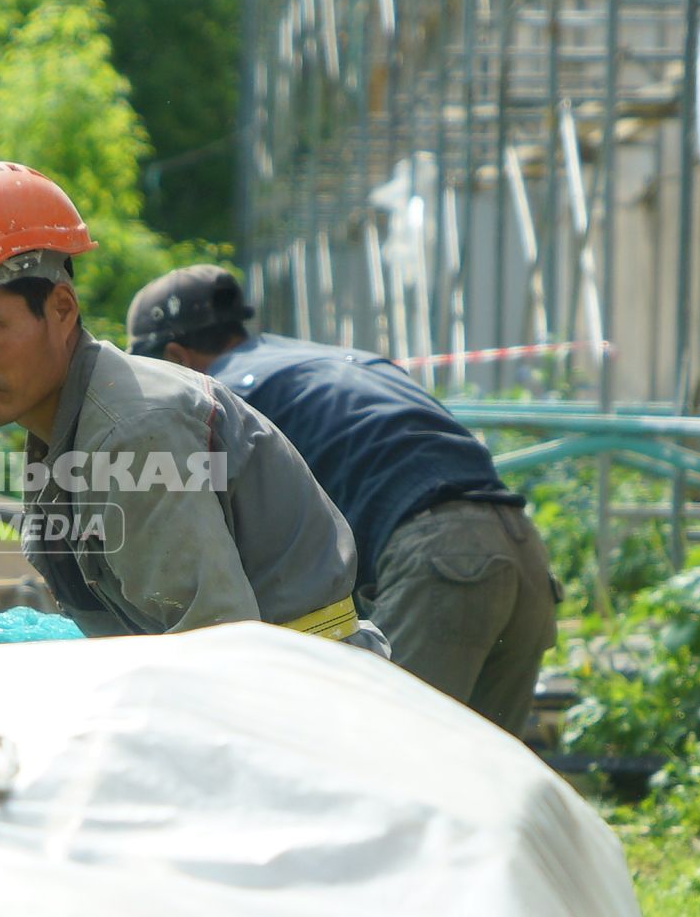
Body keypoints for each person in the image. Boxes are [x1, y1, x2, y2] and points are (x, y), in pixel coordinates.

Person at [0, 161, 379, 647]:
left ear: (61, 309)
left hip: (297, 702)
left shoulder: (132, 431)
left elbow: (218, 652)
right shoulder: (68, 427)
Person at [126, 264, 559, 733]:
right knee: (484, 784)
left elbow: (216, 552)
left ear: (175, 357)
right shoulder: (326, 361)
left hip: (441, 562)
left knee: (380, 766)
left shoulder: (219, 398)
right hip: (522, 550)